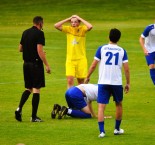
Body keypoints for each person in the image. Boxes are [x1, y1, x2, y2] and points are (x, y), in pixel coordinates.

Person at [85, 28, 130, 138]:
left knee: (101, 106)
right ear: (119, 39)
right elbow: (126, 69)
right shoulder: (122, 51)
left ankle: (102, 131)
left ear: (108, 37)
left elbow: (94, 65)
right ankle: (117, 129)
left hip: (103, 82)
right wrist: (128, 83)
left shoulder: (102, 49)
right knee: (118, 104)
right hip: (116, 82)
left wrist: (87, 76)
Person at [15, 16, 51, 122]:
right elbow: (39, 51)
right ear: (40, 23)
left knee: (28, 88)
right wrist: (47, 65)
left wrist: (30, 50)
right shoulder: (40, 33)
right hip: (35, 65)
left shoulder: (25, 32)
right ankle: (34, 117)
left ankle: (19, 108)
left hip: (26, 64)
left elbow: (20, 48)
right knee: (36, 89)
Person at [54, 15, 93, 89]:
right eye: (72, 22)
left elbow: (90, 26)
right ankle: (70, 99)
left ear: (79, 23)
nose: (73, 23)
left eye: (75, 22)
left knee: (81, 82)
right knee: (69, 80)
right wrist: (68, 18)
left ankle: (79, 99)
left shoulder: (82, 29)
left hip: (81, 59)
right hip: (70, 60)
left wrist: (80, 18)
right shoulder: (68, 29)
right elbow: (56, 25)